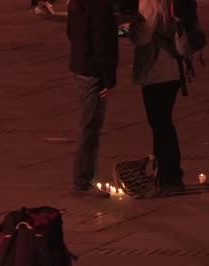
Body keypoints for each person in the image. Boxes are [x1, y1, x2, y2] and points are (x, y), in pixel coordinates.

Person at [124, 0, 184, 193]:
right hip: (174, 69)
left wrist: (129, 29)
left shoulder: (149, 3)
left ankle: (169, 175)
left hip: (157, 71)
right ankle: (168, 174)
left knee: (160, 124)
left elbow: (143, 37)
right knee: (163, 122)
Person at [66, 0, 119, 198]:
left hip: (80, 65)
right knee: (90, 128)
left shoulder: (77, 3)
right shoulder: (100, 5)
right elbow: (102, 42)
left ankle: (89, 178)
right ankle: (82, 182)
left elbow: (71, 33)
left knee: (90, 128)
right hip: (93, 72)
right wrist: (108, 79)